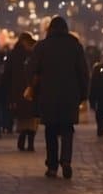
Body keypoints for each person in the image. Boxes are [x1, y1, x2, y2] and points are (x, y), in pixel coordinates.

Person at [32, 17, 89, 179]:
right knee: (67, 129)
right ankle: (66, 161)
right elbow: (83, 73)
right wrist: (83, 94)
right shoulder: (75, 46)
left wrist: (35, 89)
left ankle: (52, 165)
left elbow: (32, 70)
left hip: (48, 94)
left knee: (50, 130)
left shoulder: (42, 47)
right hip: (70, 95)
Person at [4, 33, 38, 151]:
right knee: (32, 116)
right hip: (32, 89)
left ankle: (23, 137)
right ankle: (29, 140)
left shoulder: (13, 54)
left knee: (23, 117)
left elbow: (7, 74)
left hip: (18, 90)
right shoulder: (32, 54)